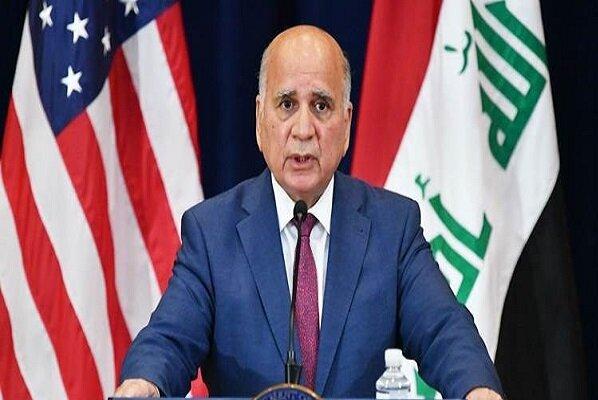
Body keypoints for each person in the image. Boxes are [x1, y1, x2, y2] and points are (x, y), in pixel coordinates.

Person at [115, 26, 503, 399]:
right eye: (287, 105)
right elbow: (169, 339)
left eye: (321, 106)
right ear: (260, 119)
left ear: (346, 123)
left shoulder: (392, 228)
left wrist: (476, 389)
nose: (303, 129)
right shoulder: (212, 233)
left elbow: (444, 331)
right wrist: (143, 383)